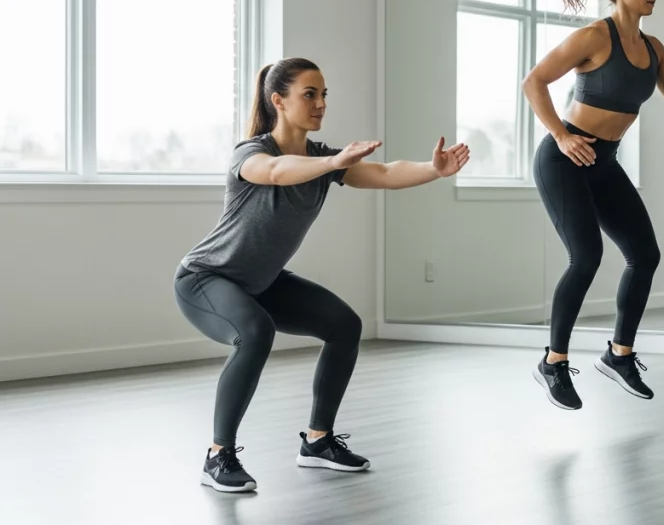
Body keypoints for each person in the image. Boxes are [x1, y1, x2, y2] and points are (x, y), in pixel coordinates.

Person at [174, 57, 469, 492]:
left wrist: (433, 170)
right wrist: (333, 165)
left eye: (324, 94)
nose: (320, 103)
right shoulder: (252, 152)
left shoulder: (322, 158)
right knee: (254, 333)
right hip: (205, 278)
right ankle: (219, 456)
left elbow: (385, 173)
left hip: (262, 281)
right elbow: (276, 173)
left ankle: (318, 442)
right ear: (279, 100)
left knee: (344, 326)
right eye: (309, 94)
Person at [522, 0, 664, 411]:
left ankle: (619, 355)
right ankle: (553, 362)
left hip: (604, 163)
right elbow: (534, 82)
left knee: (645, 255)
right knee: (586, 257)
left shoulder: (653, 48)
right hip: (564, 158)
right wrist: (562, 135)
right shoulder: (593, 38)